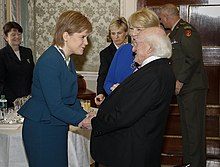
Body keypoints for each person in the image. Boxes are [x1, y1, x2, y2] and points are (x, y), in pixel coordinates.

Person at [90, 27, 176, 167]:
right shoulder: (159, 69)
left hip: (132, 152)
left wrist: (94, 123)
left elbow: (124, 115)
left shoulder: (152, 75)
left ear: (148, 48)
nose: (133, 49)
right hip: (137, 147)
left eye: (136, 43)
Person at [18, 10, 95, 167]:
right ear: (66, 36)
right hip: (42, 129)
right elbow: (55, 106)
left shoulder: (66, 60)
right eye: (82, 37)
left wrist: (86, 116)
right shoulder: (50, 61)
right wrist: (82, 121)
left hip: (56, 126)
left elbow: (70, 100)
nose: (86, 42)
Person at [159, 4, 208, 167]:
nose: (161, 21)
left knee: (194, 129)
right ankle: (189, 163)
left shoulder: (186, 31)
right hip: (185, 88)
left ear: (166, 17)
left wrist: (180, 81)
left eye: (161, 18)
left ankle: (195, 164)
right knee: (188, 128)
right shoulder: (175, 32)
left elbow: (193, 58)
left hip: (192, 87)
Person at [103, 7, 160, 96]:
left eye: (139, 29)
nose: (133, 33)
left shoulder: (157, 55)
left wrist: (125, 92)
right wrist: (113, 89)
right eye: (132, 28)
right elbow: (108, 82)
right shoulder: (123, 50)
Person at [95, 17, 128, 106]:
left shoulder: (133, 50)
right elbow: (102, 75)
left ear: (126, 33)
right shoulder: (105, 53)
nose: (116, 37)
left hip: (129, 93)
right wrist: (100, 93)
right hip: (111, 94)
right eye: (113, 33)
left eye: (119, 33)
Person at [0, 21, 34, 107]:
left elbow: (33, 75)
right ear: (6, 37)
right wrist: (15, 100)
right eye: (13, 34)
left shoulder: (27, 52)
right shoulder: (2, 55)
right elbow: (1, 82)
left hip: (28, 100)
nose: (17, 37)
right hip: (10, 103)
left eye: (19, 34)